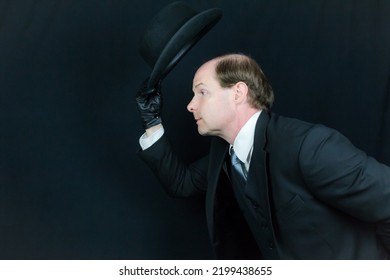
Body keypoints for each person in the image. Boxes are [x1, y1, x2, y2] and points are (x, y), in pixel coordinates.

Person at [136, 53, 390, 259]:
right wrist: (152, 122)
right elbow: (182, 183)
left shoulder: (308, 146)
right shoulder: (225, 153)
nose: (190, 105)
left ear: (238, 93)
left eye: (202, 92)